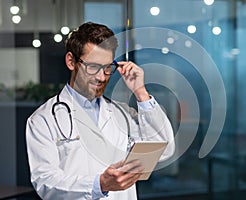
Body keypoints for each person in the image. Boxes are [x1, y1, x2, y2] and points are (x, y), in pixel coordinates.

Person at [26, 22, 175, 200]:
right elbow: (45, 182)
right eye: (93, 67)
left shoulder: (122, 114)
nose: (101, 77)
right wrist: (100, 184)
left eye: (106, 68)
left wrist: (141, 93)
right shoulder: (43, 119)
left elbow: (163, 149)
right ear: (71, 61)